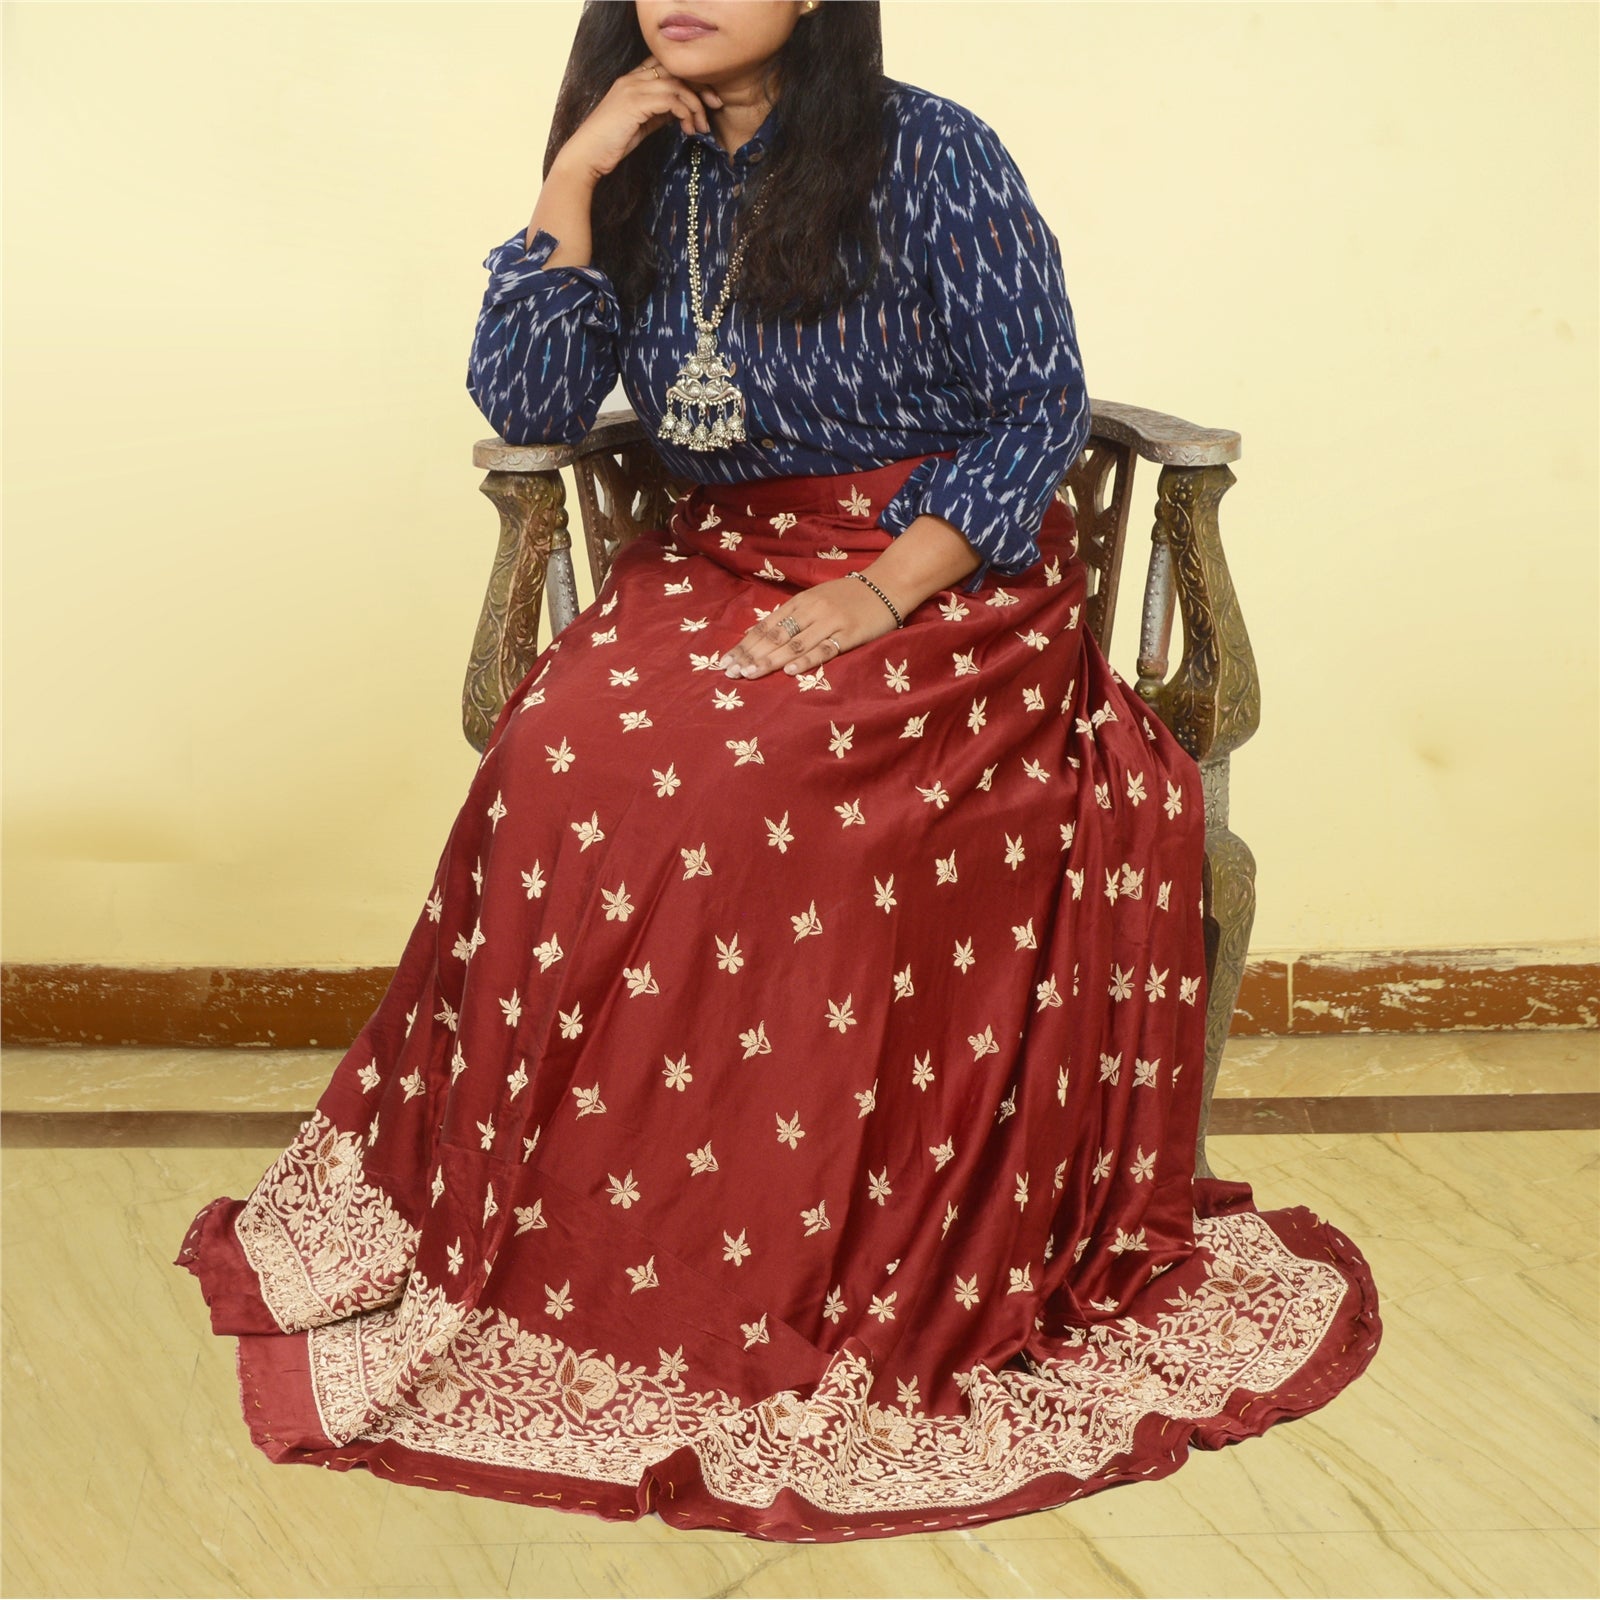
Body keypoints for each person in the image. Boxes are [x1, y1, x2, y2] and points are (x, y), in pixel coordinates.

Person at [174, 0, 1382, 1543]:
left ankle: (774, 1256)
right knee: (563, 753)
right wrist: (573, 176)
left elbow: (1035, 407)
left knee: (758, 779)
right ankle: (589, 1241)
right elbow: (532, 408)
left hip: (943, 574)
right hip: (721, 558)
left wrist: (882, 590)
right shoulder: (638, 165)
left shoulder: (931, 152)